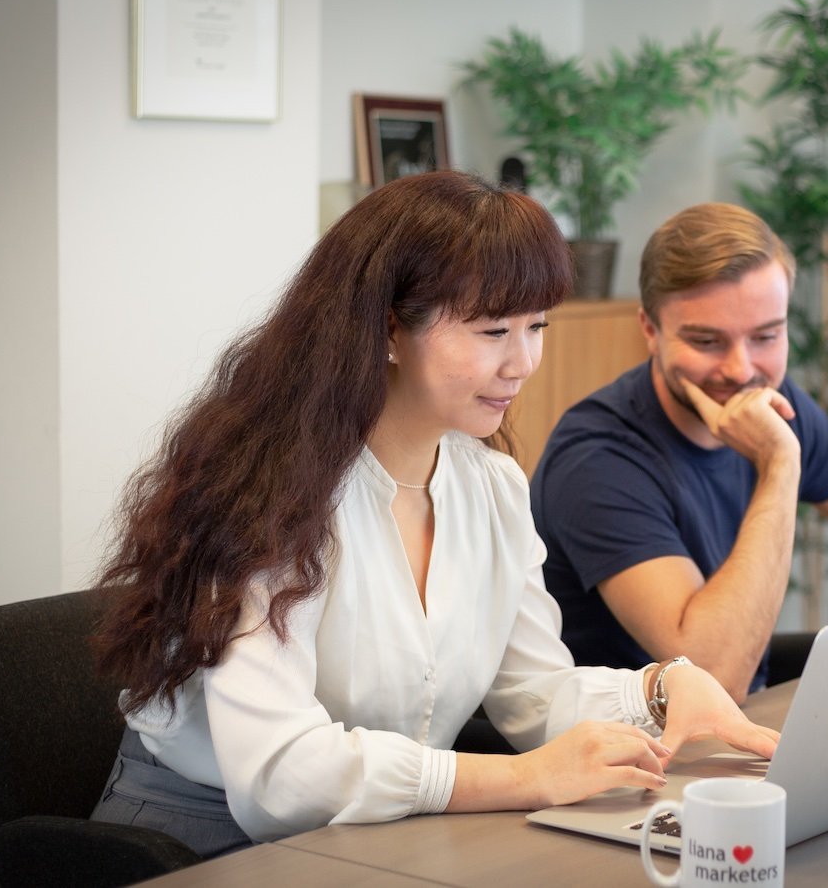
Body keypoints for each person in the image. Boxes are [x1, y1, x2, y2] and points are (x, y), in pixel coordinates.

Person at [86, 172, 779, 860]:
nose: (524, 361)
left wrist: (659, 689)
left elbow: (531, 693)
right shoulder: (274, 496)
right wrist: (520, 777)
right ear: (388, 331)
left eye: (536, 326)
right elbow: (279, 777)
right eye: (492, 331)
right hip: (199, 838)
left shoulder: (493, 487)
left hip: (376, 827)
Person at [531, 202, 828, 703]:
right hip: (627, 758)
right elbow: (715, 677)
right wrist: (779, 464)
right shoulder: (597, 456)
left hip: (729, 734)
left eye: (766, 336)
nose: (740, 369)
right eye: (707, 340)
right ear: (650, 330)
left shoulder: (775, 402)